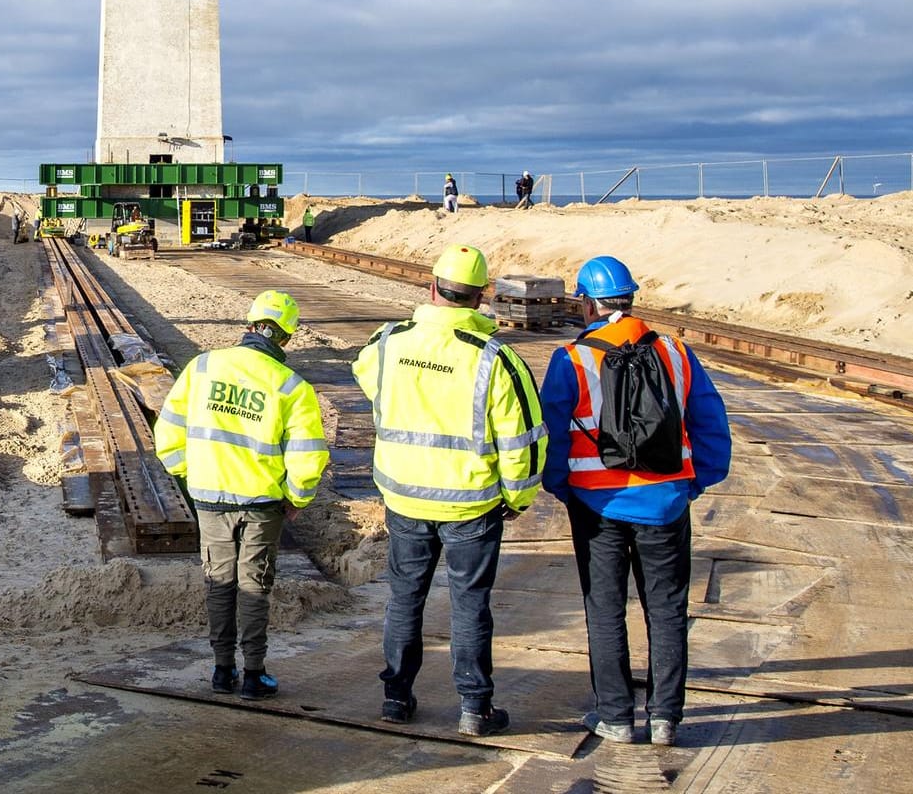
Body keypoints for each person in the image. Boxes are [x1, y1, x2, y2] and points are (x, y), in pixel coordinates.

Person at [353, 244, 545, 737]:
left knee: (404, 599)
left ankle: (396, 698)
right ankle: (474, 709)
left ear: (432, 287)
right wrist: (517, 498)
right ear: (481, 299)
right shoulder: (494, 359)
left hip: (403, 498)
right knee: (469, 604)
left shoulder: (389, 342)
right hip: (471, 505)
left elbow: (365, 376)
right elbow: (523, 440)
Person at [541, 256, 731, 748]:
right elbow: (710, 421)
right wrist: (695, 482)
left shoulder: (572, 358)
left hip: (597, 506)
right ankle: (666, 718)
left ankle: (616, 717)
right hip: (667, 503)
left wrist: (563, 487)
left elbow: (553, 437)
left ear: (587, 303)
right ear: (629, 299)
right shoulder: (676, 352)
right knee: (667, 609)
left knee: (604, 608)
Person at [155, 291, 330, 702]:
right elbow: (308, 457)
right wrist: (296, 499)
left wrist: (188, 472)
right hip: (262, 503)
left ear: (249, 325)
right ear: (285, 338)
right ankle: (254, 675)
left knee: (220, 584)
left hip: (210, 497)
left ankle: (221, 671)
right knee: (255, 586)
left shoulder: (202, 367)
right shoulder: (291, 387)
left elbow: (167, 434)